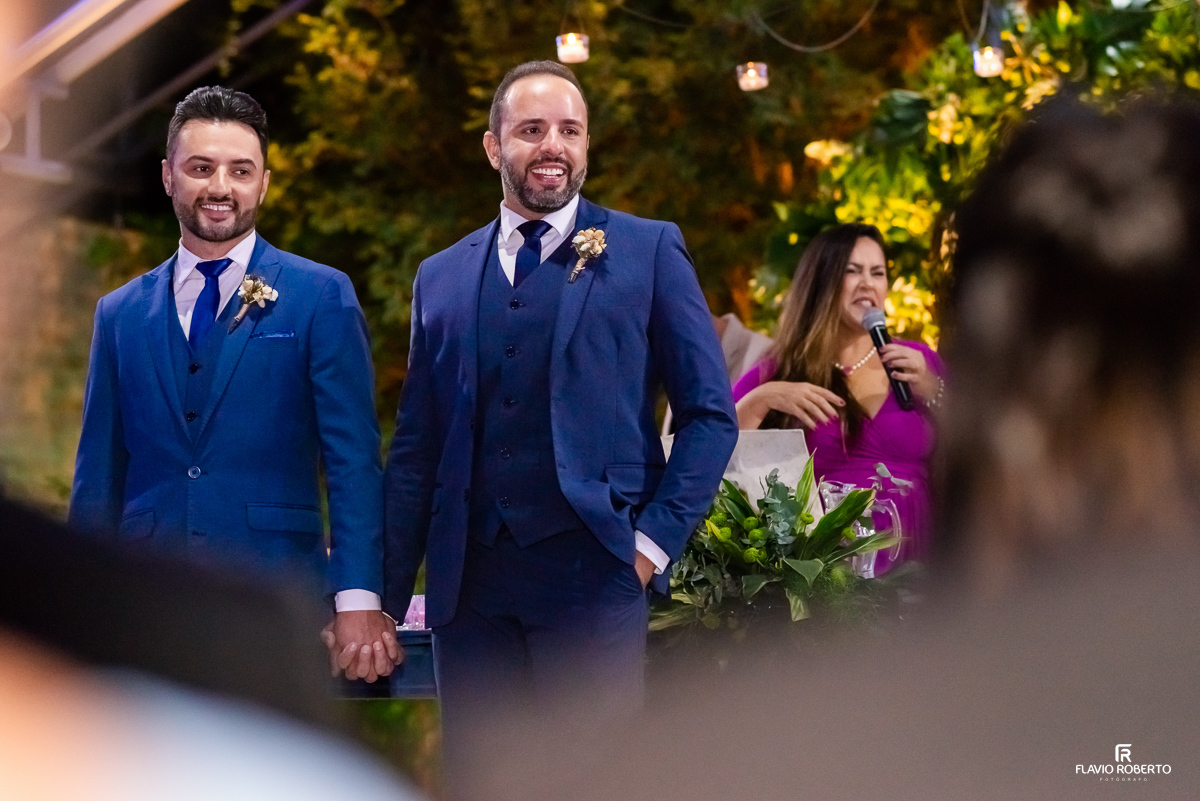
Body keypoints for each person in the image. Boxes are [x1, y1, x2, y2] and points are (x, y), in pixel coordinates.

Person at [382, 60, 737, 762]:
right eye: (532, 129)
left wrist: (648, 549)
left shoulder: (649, 249)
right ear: (493, 147)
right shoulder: (441, 275)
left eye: (570, 130)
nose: (554, 145)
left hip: (596, 578)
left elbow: (710, 415)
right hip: (469, 592)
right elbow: (416, 449)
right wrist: (385, 600)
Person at [67, 86, 398, 683]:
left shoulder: (320, 295)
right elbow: (98, 475)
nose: (220, 187)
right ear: (168, 176)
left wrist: (357, 600)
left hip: (276, 597)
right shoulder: (117, 313)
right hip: (145, 604)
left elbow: (352, 463)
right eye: (201, 168)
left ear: (264, 182)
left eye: (239, 171)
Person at [731, 224, 944, 570]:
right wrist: (762, 399)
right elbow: (711, 449)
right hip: (832, 577)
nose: (867, 283)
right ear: (821, 282)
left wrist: (935, 391)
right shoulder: (779, 373)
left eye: (877, 273)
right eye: (852, 271)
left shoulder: (919, 362)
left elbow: (981, 451)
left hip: (923, 571)